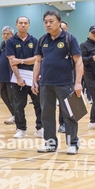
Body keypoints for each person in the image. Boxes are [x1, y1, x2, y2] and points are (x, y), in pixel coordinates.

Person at [32, 10, 83, 155]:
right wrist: (34, 81)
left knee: (70, 114)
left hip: (65, 83)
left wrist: (78, 82)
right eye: (46, 22)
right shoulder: (42, 40)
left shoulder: (69, 38)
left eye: (51, 21)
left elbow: (78, 61)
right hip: (45, 84)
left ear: (59, 22)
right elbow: (38, 61)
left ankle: (72, 144)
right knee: (46, 114)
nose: (48, 24)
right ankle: (50, 143)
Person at [6, 16, 42, 139]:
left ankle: (40, 128)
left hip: (33, 77)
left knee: (39, 103)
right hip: (18, 78)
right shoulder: (11, 41)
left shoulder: (35, 41)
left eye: (25, 23)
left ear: (29, 25)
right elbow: (12, 61)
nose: (23, 25)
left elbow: (36, 59)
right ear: (16, 25)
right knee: (19, 105)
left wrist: (20, 60)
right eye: (21, 23)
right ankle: (21, 129)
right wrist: (18, 78)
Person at [0, 26, 16, 124]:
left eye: (8, 34)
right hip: (2, 75)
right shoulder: (2, 45)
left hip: (11, 75)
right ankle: (13, 113)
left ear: (12, 35)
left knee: (12, 96)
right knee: (3, 95)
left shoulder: (14, 44)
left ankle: (16, 116)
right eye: (4, 34)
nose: (6, 36)